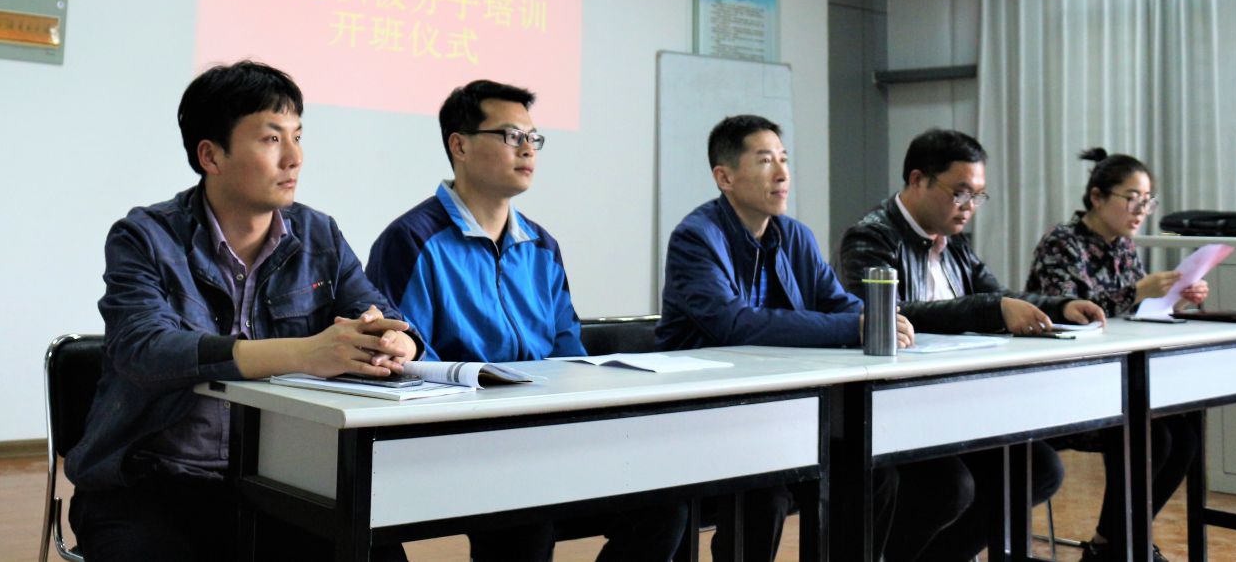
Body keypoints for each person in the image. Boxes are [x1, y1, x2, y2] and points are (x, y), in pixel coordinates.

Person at [64, 60, 419, 562]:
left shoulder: (319, 235)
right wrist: (303, 353)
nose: (294, 158)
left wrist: (396, 340)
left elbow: (376, 311)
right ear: (211, 155)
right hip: (153, 482)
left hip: (282, 479)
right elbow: (143, 349)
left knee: (376, 552)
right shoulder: (146, 237)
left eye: (298, 136)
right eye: (272, 139)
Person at [368, 79, 686, 562]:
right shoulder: (411, 240)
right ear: (460, 146)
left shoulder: (541, 246)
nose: (527, 149)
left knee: (666, 503)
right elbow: (406, 358)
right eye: (511, 136)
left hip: (545, 432)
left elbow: (566, 349)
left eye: (533, 138)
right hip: (458, 441)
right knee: (525, 520)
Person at [838, 128, 1106, 562]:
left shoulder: (955, 242)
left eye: (978, 196)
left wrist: (1060, 305)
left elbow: (998, 295)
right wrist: (991, 308)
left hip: (960, 403)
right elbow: (887, 313)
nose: (969, 207)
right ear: (918, 180)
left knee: (1039, 469)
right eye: (960, 193)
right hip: (898, 408)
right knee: (952, 486)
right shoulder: (870, 237)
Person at [658, 114, 909, 561]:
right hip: (709, 413)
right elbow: (733, 325)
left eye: (784, 159)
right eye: (765, 160)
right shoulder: (696, 238)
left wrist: (877, 319)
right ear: (725, 177)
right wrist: (853, 328)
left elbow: (837, 303)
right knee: (766, 493)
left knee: (873, 471)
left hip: (784, 409)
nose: (782, 174)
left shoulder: (794, 236)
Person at [1026, 147, 1208, 562]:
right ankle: (1117, 544)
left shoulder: (1123, 246)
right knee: (1153, 434)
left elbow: (1132, 314)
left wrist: (1175, 298)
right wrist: (1140, 290)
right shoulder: (1062, 243)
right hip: (1064, 384)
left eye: (1147, 201)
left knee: (1184, 432)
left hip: (1115, 380)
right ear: (1097, 197)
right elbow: (1070, 311)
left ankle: (1116, 542)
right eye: (1132, 198)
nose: (1141, 210)